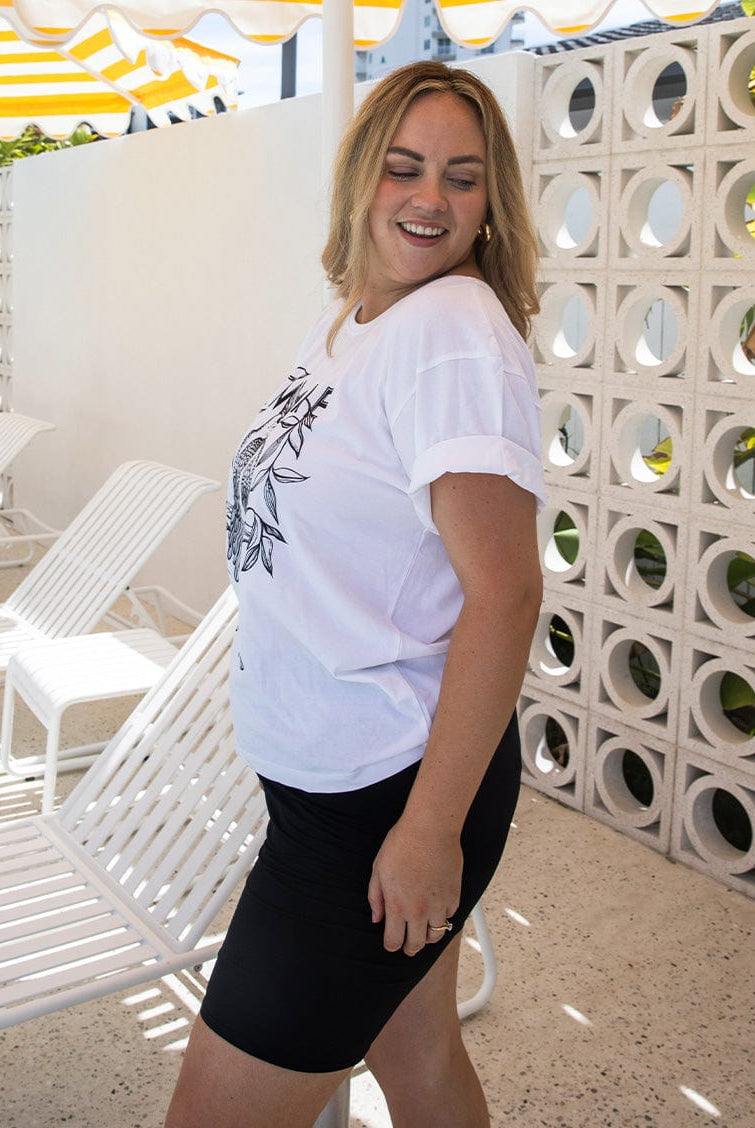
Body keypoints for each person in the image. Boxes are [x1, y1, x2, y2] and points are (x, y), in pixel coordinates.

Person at [165, 60, 544, 1128]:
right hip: (330, 777)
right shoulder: (356, 320)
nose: (429, 199)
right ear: (359, 178)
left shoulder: (450, 333)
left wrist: (429, 831)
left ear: (489, 203)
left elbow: (507, 594)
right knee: (415, 1059)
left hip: (380, 801)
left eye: (462, 178)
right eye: (404, 167)